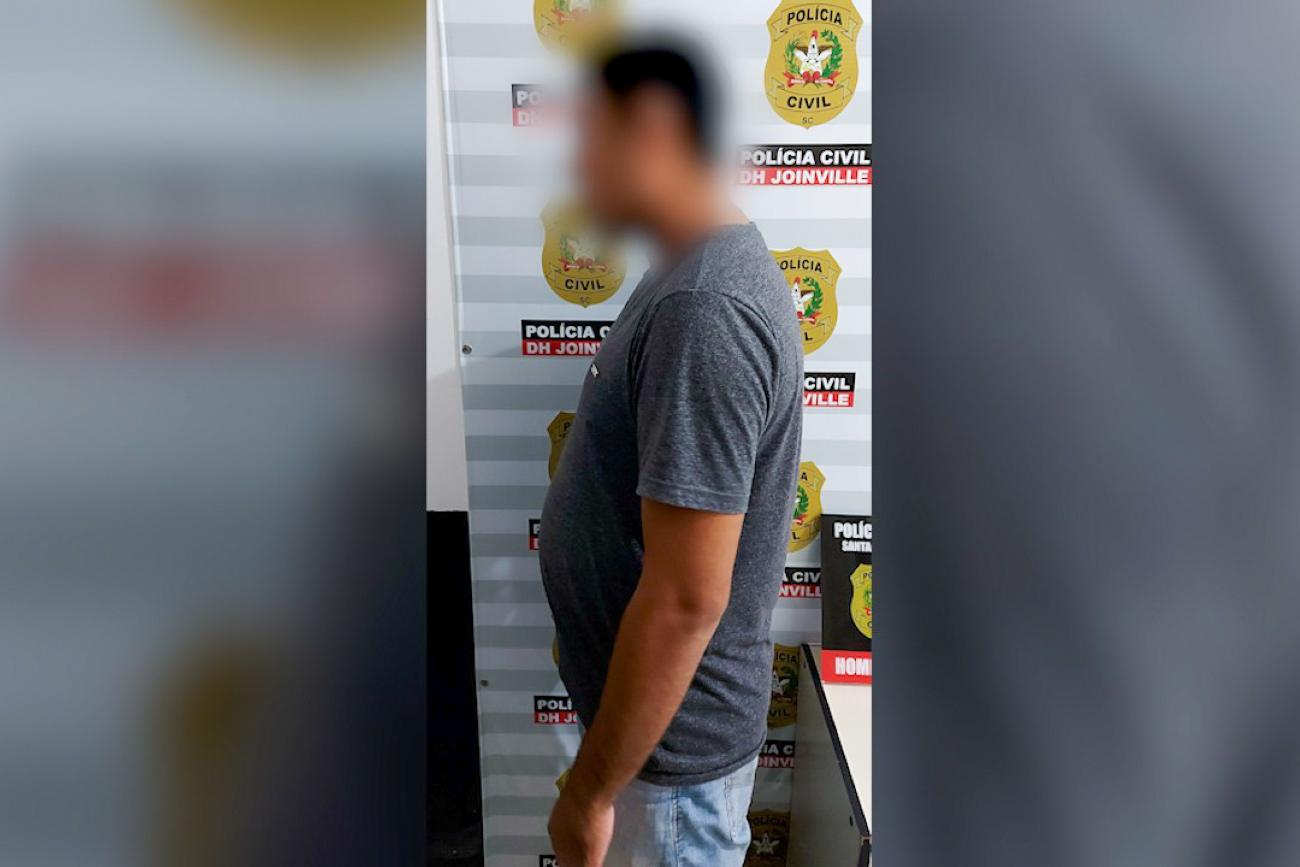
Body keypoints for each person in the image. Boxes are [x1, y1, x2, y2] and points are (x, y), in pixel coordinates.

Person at [538, 42, 804, 867]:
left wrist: (588, 794)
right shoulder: (689, 274)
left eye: (592, 139)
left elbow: (687, 599)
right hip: (654, 754)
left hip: (668, 773)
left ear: (652, 131)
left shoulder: (705, 308)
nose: (579, 167)